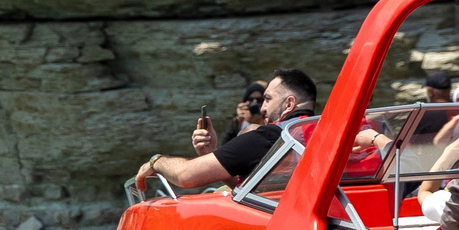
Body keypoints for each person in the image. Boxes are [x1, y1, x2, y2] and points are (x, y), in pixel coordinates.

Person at [133, 68, 320, 192]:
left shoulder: (270, 137)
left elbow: (185, 176)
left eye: (268, 99)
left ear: (289, 104)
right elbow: (253, 188)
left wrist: (156, 161)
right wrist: (211, 153)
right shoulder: (328, 134)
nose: (262, 108)